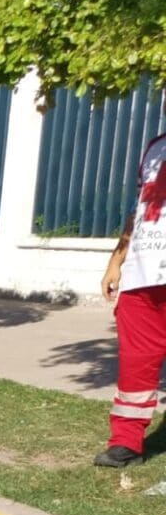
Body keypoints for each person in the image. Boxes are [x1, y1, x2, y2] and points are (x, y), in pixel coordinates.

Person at [96, 130, 166, 467]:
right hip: (143, 276)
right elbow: (137, 212)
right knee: (136, 365)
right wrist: (116, 261)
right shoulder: (155, 147)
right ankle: (126, 443)